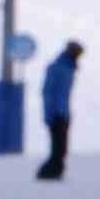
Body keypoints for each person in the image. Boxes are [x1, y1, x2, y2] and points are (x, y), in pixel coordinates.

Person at [35, 40, 83, 181]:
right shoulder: (57, 67)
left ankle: (55, 172)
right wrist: (51, 113)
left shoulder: (69, 68)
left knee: (61, 148)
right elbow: (48, 91)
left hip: (64, 113)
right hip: (56, 114)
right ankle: (48, 173)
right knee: (58, 147)